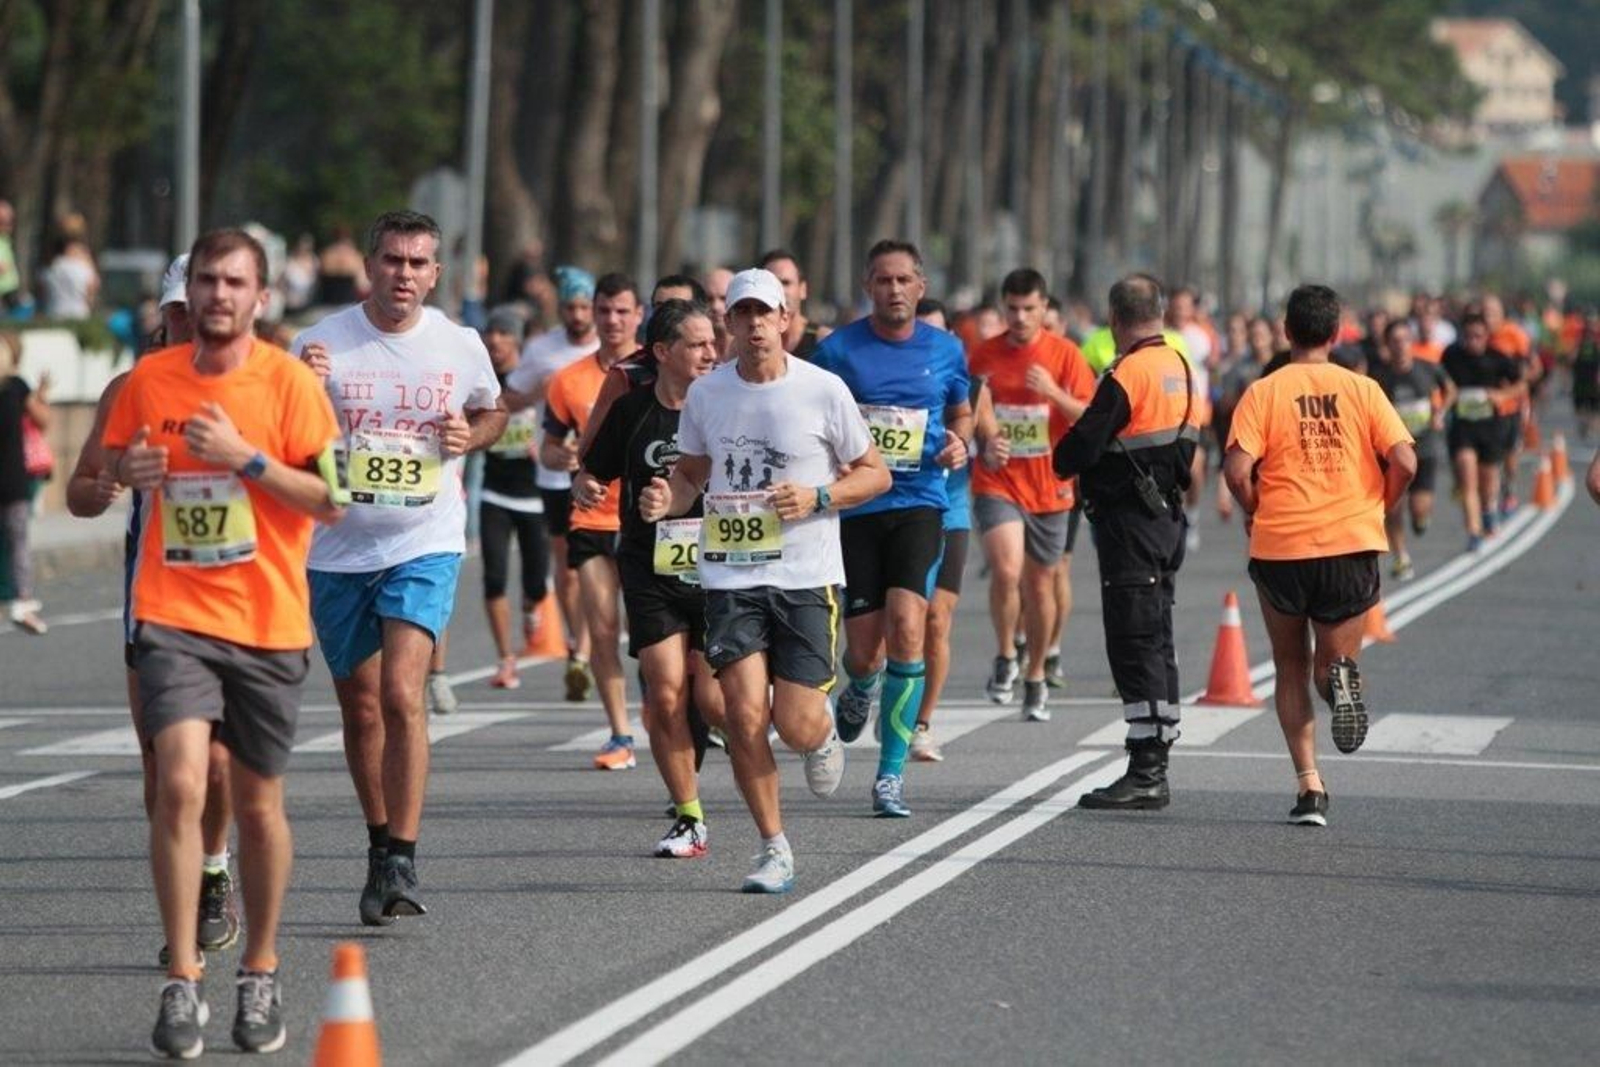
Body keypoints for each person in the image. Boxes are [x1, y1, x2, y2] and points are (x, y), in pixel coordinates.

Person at [102, 228, 342, 1057]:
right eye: (206, 280)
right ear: (188, 292)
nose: (218, 294)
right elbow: (103, 471)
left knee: (257, 802)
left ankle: (260, 968)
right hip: (172, 613)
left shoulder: (288, 383)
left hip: (268, 620)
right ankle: (182, 976)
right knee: (178, 781)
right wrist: (125, 474)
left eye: (235, 282)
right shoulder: (148, 380)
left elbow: (331, 499)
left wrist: (247, 460)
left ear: (261, 297)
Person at [640, 267, 890, 892]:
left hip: (806, 575)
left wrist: (818, 495)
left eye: (764, 313)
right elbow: (692, 473)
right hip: (731, 576)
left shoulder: (823, 389)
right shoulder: (708, 394)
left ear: (784, 319)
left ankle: (822, 734)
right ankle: (773, 847)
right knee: (742, 714)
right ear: (728, 322)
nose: (754, 325)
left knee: (796, 723)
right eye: (742, 314)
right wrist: (666, 499)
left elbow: (875, 474)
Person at [295, 210, 506, 927]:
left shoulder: (459, 343)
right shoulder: (319, 343)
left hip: (425, 538)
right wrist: (300, 388)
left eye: (418, 263)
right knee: (360, 707)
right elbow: (281, 434)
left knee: (400, 692)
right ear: (370, 266)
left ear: (435, 274)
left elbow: (492, 413)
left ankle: (404, 856)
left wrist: (469, 434)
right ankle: (379, 842)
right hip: (336, 549)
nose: (404, 274)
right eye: (393, 260)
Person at [65, 254, 245, 967]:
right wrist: (109, 480)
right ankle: (183, 904)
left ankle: (214, 867)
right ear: (164, 316)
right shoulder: (130, 390)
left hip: (237, 602)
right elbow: (81, 489)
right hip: (156, 602)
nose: (191, 322)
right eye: (177, 311)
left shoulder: (261, 382)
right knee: (163, 764)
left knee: (220, 762)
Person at [1223, 284, 1417, 826]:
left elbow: (1236, 471)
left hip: (1281, 543)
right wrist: (1381, 503)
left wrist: (1254, 507)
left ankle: (1309, 784)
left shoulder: (1264, 391)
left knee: (1289, 664)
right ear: (1335, 334)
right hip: (1350, 541)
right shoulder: (1363, 389)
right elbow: (1406, 460)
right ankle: (1340, 684)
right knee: (1330, 666)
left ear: (1286, 332)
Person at [812, 239, 971, 818]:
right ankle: (862, 684)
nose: (895, 289)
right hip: (858, 508)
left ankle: (890, 776)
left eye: (904, 280)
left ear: (921, 287)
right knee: (862, 651)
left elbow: (961, 410)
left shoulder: (947, 349)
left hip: (920, 503)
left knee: (909, 624)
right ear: (868, 286)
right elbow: (811, 417)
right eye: (884, 280)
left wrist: (961, 441)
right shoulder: (837, 351)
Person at [582, 300, 727, 855]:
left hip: (719, 568)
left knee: (714, 702)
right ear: (663, 352)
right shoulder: (632, 410)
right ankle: (689, 817)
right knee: (665, 694)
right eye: (697, 344)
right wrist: (586, 486)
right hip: (650, 566)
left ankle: (787, 724)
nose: (710, 353)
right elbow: (592, 471)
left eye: (713, 342)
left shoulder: (728, 406)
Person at [1053, 273, 1202, 811]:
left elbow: (1078, 448)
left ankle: (1146, 769)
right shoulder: (1182, 366)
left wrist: (1065, 458)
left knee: (1134, 639)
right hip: (1166, 519)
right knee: (1156, 637)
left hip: (1129, 524)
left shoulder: (1127, 373)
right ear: (1159, 313)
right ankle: (1157, 751)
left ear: (1115, 319)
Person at [968, 269, 1095, 721]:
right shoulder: (984, 354)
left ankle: (1036, 674)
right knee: (1006, 570)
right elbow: (971, 408)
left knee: (1040, 583)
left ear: (1044, 308)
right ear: (1003, 308)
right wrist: (988, 440)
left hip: (1050, 485)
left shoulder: (1066, 354)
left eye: (1029, 309)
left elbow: (1088, 417)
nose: (1020, 317)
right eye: (1012, 309)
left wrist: (1053, 393)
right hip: (998, 480)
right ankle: (1006, 654)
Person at [541, 272, 642, 770]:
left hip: (648, 520)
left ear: (639, 315)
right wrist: (561, 458)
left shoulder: (656, 371)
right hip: (592, 519)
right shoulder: (568, 379)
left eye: (622, 311)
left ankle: (668, 712)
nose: (612, 320)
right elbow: (548, 447)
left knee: (650, 635)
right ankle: (620, 732)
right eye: (604, 310)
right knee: (602, 630)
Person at [505, 266, 600, 698]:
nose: (577, 315)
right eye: (570, 307)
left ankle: (587, 648)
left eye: (584, 307)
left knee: (595, 563)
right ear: (559, 308)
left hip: (601, 477)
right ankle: (578, 645)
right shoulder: (542, 349)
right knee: (566, 568)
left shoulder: (608, 349)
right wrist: (537, 392)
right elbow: (509, 399)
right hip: (555, 474)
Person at [910, 298, 996, 762]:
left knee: (937, 619)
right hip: (901, 511)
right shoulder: (889, 384)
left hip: (952, 512)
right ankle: (882, 687)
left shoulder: (972, 388)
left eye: (936, 334)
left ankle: (922, 724)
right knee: (893, 626)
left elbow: (990, 439)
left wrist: (994, 448)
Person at [478, 307, 548, 688]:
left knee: (536, 584)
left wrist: (548, 445)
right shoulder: (482, 380)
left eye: (504, 334)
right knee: (494, 577)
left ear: (517, 340)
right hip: (495, 491)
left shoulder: (534, 381)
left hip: (535, 495)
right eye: (491, 334)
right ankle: (505, 658)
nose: (496, 341)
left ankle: (532, 604)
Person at [1369, 319, 1454, 580]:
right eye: (1395, 341)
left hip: (1425, 446)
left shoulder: (1427, 368)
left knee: (1419, 508)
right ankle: (1401, 557)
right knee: (1393, 507)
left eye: (1405, 340)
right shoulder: (1378, 376)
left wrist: (1440, 412)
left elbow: (1450, 390)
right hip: (1393, 450)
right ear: (1387, 345)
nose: (1401, 346)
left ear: (1411, 342)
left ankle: (1420, 519)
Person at [1441, 313, 1524, 550]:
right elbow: (1440, 381)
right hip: (1462, 427)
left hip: (1490, 427)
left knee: (1487, 483)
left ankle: (1488, 509)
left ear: (1487, 336)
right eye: (1468, 336)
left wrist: (1501, 395)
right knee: (1468, 479)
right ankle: (1473, 531)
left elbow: (1521, 384)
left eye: (1478, 336)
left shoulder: (1498, 358)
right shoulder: (1451, 355)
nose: (1473, 341)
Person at [1, 329, 49, 634]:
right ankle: (17, 598)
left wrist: (39, 396)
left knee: (13, 539)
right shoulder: (17, 386)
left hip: (13, 479)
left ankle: (19, 598)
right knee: (14, 540)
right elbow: (43, 420)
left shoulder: (17, 387)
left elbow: (41, 420)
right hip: (13, 479)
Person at [758, 249, 829, 358]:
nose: (780, 291)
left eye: (786, 283)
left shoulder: (825, 343)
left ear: (802, 289)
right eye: (772, 284)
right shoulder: (747, 345)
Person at [0, 200, 20, 311]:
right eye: (3, 221)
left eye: (11, 220)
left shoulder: (5, 239)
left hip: (10, 288)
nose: (8, 224)